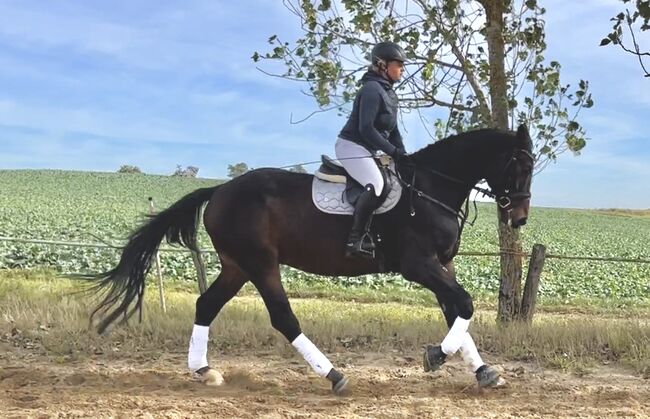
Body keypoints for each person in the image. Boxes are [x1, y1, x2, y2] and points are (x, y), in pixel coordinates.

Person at [336, 41, 408, 259]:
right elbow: (365, 129)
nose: (402, 70)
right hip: (351, 146)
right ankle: (354, 240)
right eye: (398, 65)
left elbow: (393, 131)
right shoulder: (371, 90)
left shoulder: (390, 95)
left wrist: (404, 155)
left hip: (368, 149)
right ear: (382, 65)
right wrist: (392, 152)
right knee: (378, 185)